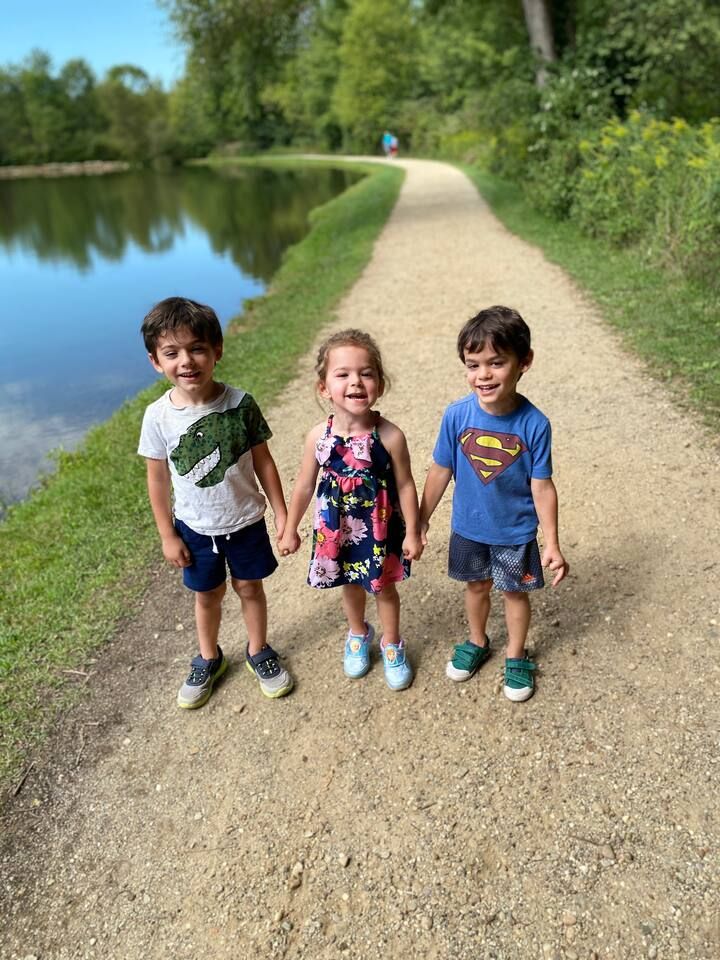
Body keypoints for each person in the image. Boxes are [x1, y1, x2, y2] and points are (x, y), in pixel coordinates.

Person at [138, 296, 293, 708]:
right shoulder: (157, 416)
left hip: (245, 521)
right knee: (207, 594)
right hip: (194, 526)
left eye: (197, 349)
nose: (186, 361)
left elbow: (264, 461)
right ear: (156, 361)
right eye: (172, 353)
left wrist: (282, 514)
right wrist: (167, 535)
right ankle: (209, 658)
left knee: (249, 587)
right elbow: (157, 479)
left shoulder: (241, 404)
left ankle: (258, 649)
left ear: (217, 351)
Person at [419, 305, 568, 702]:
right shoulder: (456, 416)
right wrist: (420, 519)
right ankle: (477, 640)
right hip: (468, 527)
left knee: (514, 593)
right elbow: (440, 470)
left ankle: (516, 655)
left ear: (524, 362)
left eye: (496, 363)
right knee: (476, 586)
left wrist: (552, 542)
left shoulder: (534, 424)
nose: (483, 375)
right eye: (473, 365)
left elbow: (542, 486)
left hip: (514, 532)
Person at [278, 329, 423, 691]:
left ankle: (392, 643)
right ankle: (358, 633)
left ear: (380, 384)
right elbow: (304, 485)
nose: (356, 382)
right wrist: (290, 528)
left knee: (383, 588)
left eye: (366, 373)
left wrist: (413, 532)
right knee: (350, 583)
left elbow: (406, 484)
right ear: (324, 387)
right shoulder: (318, 437)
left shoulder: (389, 436)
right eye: (342, 374)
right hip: (337, 529)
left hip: (378, 529)